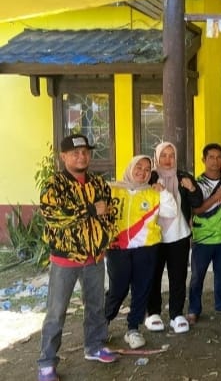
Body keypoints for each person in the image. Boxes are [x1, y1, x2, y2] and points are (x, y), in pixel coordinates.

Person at [38, 134, 118, 381]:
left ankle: (95, 346)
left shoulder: (98, 183)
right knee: (56, 312)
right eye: (75, 153)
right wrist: (90, 209)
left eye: (85, 152)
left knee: (96, 306)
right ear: (63, 157)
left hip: (94, 258)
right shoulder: (55, 184)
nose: (81, 156)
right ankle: (47, 362)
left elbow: (111, 212)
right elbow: (54, 215)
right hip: (65, 260)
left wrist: (104, 240)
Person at [105, 155, 176, 349]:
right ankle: (103, 321)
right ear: (130, 167)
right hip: (117, 248)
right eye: (139, 167)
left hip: (146, 249)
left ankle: (133, 329)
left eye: (147, 169)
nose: (142, 172)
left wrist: (163, 193)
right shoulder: (112, 189)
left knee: (141, 289)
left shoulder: (152, 193)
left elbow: (171, 212)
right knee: (117, 289)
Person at [146, 142, 203, 334]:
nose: (168, 160)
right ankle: (153, 312)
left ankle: (176, 314)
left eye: (171, 155)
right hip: (154, 236)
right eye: (163, 155)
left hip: (179, 235)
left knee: (178, 276)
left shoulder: (183, 176)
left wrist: (192, 188)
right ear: (156, 157)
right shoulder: (149, 177)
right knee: (153, 275)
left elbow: (197, 202)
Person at [187, 143, 221, 324]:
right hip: (202, 239)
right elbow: (197, 210)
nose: (215, 161)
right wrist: (216, 197)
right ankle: (194, 310)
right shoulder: (196, 184)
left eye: (219, 158)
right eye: (211, 157)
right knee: (197, 277)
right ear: (204, 159)